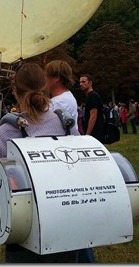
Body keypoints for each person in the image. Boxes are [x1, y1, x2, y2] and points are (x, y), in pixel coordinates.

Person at [0, 63, 80, 263]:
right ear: (45, 87)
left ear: (15, 92)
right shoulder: (64, 122)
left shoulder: (10, 129)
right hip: (66, 221)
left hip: (26, 224)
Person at [45, 60, 96, 263]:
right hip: (63, 160)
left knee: (72, 219)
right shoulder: (62, 98)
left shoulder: (60, 102)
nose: (44, 80)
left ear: (56, 77)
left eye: (46, 75)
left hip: (62, 161)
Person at [79, 74, 104, 142]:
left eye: (83, 82)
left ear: (90, 83)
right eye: (80, 82)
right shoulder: (89, 97)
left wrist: (87, 135)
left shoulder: (93, 96)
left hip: (95, 133)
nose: (81, 84)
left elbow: (93, 116)